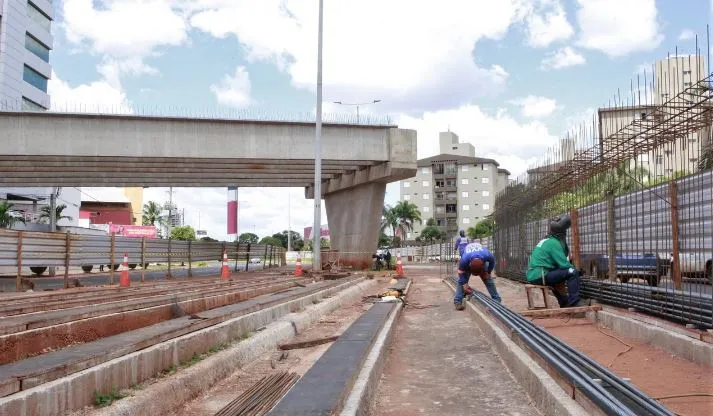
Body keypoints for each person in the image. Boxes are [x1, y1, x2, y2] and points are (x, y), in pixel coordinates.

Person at [526, 214, 588, 308]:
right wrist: (576, 271)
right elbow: (564, 264)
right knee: (572, 272)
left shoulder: (546, 241)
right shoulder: (554, 243)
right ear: (561, 234)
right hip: (541, 275)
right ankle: (574, 302)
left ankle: (565, 303)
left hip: (534, 274)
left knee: (558, 279)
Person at [454, 241, 502, 310]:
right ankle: (457, 301)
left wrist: (488, 272)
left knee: (488, 279)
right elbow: (460, 272)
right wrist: (464, 284)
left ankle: (496, 300)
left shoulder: (487, 255)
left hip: (480, 258)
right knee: (461, 281)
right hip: (469, 259)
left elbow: (492, 262)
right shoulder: (464, 260)